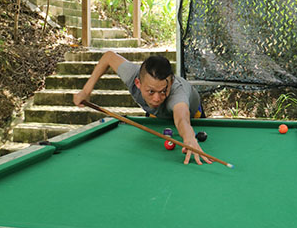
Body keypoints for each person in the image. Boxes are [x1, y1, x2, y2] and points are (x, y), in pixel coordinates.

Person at [73, 51, 212, 165]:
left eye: (163, 91)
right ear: (138, 83)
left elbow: (182, 118)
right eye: (151, 91)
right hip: (155, 115)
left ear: (171, 83)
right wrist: (86, 91)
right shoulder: (131, 74)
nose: (157, 98)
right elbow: (108, 57)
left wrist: (188, 136)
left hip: (194, 115)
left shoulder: (178, 93)